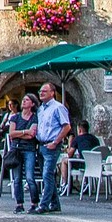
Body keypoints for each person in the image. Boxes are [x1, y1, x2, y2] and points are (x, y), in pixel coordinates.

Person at [30, 85, 71, 213]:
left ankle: (44, 204)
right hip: (41, 145)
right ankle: (55, 204)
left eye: (44, 91)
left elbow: (67, 126)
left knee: (47, 174)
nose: (41, 93)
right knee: (47, 176)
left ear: (52, 93)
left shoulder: (58, 107)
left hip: (51, 145)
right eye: (40, 91)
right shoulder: (41, 109)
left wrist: (56, 142)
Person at [5, 94, 39, 213]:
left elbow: (32, 135)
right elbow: (11, 134)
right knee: (17, 178)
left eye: (27, 100)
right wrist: (25, 132)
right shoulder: (15, 117)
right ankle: (19, 204)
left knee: (30, 177)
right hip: (16, 149)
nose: (24, 102)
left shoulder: (35, 118)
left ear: (32, 104)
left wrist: (20, 133)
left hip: (29, 149)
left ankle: (34, 203)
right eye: (23, 100)